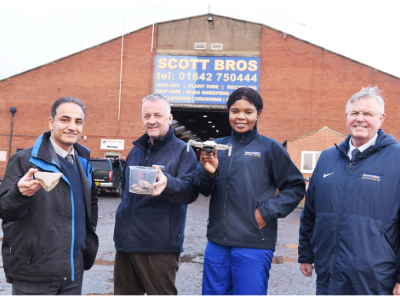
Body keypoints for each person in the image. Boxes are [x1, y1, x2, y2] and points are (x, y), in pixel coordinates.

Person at [191, 87, 305, 295]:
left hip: (254, 242)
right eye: (235, 111)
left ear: (258, 114)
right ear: (229, 113)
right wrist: (209, 172)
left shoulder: (269, 148)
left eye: (248, 111)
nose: (241, 117)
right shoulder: (216, 147)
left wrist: (266, 212)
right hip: (218, 242)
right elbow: (201, 188)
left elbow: (295, 186)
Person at [298, 86, 400, 295]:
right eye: (355, 113)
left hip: (376, 278)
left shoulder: (396, 159)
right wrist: (306, 254)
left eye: (368, 114)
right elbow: (310, 212)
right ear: (347, 116)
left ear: (381, 118)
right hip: (329, 274)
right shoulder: (327, 158)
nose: (360, 119)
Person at [0, 97, 99, 295]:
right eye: (65, 120)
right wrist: (19, 194)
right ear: (51, 122)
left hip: (73, 269)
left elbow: (92, 204)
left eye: (78, 122)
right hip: (35, 271)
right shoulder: (23, 161)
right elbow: (4, 209)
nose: (72, 127)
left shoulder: (84, 164)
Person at [113, 94, 198, 295]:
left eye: (158, 115)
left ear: (169, 119)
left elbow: (190, 191)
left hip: (158, 247)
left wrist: (168, 183)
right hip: (126, 244)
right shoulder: (136, 150)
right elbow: (125, 184)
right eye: (146, 115)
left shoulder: (182, 152)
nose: (151, 120)